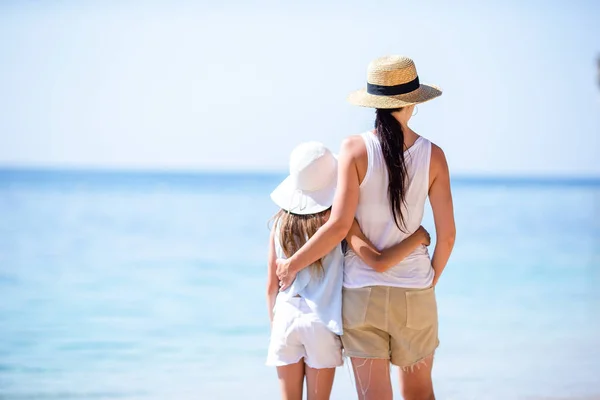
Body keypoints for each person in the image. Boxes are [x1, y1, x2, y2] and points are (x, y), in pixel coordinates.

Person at [276, 56, 456, 400]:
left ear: (374, 102)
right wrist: (429, 279)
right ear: (413, 102)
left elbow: (338, 225)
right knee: (420, 392)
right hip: (415, 292)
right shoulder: (434, 156)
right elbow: (447, 236)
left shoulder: (354, 149)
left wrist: (291, 263)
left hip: (361, 295)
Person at [266, 141, 432, 400]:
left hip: (284, 318)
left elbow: (271, 287)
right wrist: (418, 237)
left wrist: (276, 328)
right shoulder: (339, 224)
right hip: (320, 322)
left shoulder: (279, 225)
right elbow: (375, 260)